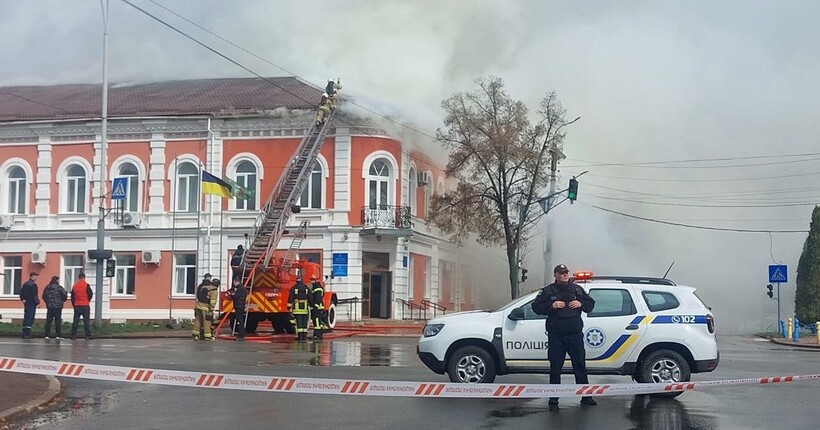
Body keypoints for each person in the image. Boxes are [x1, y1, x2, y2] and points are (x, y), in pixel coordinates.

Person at [532, 264, 597, 407]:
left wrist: (580, 304)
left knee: (580, 366)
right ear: (555, 275)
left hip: (575, 335)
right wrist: (551, 306)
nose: (565, 275)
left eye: (566, 272)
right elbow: (536, 307)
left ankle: (586, 397)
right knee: (555, 367)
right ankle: (553, 398)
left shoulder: (577, 289)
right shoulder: (548, 291)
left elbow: (591, 304)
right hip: (557, 336)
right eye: (561, 273)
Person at [42, 275, 68, 340]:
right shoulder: (59, 288)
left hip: (50, 306)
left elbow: (44, 296)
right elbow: (64, 295)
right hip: (58, 307)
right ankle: (58, 335)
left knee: (49, 321)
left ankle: (47, 335)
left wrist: (48, 302)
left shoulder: (47, 287)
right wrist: (62, 301)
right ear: (56, 281)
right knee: (58, 321)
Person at [70, 272, 94, 340]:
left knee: (75, 321)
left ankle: (73, 335)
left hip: (77, 305)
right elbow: (90, 294)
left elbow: (72, 297)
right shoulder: (86, 285)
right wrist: (87, 300)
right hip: (85, 305)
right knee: (86, 321)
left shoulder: (75, 286)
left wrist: (74, 304)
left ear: (79, 278)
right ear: (84, 277)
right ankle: (87, 335)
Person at [288, 275, 311, 341]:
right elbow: (310, 297)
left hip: (297, 309)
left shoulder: (294, 288)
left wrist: (289, 307)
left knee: (299, 323)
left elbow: (290, 298)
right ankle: (304, 336)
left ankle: (300, 337)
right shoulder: (306, 288)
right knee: (304, 323)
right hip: (305, 309)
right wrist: (311, 306)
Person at [19, 272, 40, 339]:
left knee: (26, 317)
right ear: (32, 277)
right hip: (31, 303)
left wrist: (23, 299)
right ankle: (27, 334)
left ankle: (24, 333)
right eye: (35, 276)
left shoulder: (25, 284)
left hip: (26, 303)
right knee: (30, 318)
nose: (36, 277)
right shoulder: (33, 285)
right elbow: (34, 295)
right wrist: (37, 302)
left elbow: (21, 293)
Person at [227, 276, 247, 341]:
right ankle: (241, 335)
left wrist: (230, 295)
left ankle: (241, 335)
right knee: (240, 321)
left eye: (234, 283)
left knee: (240, 321)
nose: (234, 284)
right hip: (240, 306)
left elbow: (236, 296)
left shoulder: (240, 289)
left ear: (237, 282)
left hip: (239, 307)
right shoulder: (241, 288)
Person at [309, 274, 326, 340]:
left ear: (316, 280)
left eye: (312, 280)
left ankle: (317, 335)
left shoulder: (317, 288)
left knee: (317, 321)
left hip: (317, 307)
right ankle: (318, 335)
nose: (311, 281)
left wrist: (315, 306)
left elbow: (318, 299)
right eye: (311, 280)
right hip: (318, 307)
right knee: (317, 321)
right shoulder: (316, 287)